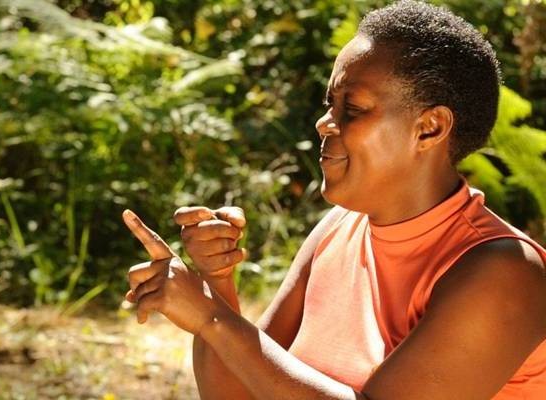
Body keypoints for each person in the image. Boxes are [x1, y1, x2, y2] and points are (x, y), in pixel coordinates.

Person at [122, 1, 546, 398]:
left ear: (430, 128)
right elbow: (237, 392)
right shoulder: (337, 229)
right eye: (330, 103)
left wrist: (212, 319)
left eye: (353, 108)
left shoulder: (503, 274)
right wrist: (217, 283)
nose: (325, 123)